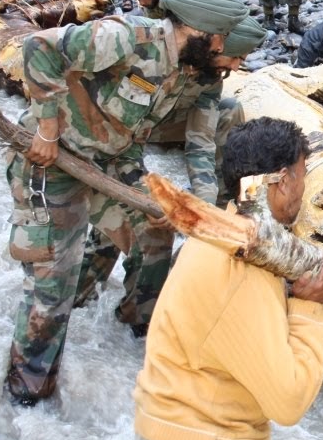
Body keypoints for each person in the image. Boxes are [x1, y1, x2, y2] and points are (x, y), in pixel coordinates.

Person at [4, 0, 247, 405]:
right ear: (196, 30)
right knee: (52, 286)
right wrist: (45, 128)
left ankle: (136, 330)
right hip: (51, 167)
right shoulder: (124, 38)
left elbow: (129, 135)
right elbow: (38, 47)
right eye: (220, 37)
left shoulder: (181, 70)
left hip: (108, 166)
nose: (223, 47)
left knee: (155, 230)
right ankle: (28, 393)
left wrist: (145, 193)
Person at [133, 116, 323, 440]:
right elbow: (289, 402)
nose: (304, 186)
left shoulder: (226, 233)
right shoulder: (241, 270)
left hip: (176, 427)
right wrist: (308, 305)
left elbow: (258, 330)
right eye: (303, 173)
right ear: (282, 181)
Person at [75, 16, 268, 308]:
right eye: (236, 56)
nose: (237, 67)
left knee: (151, 224)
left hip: (143, 137)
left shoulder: (210, 79)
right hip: (104, 141)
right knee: (118, 222)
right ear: (217, 45)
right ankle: (79, 295)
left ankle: (137, 320)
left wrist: (201, 207)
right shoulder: (161, 54)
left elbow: (200, 142)